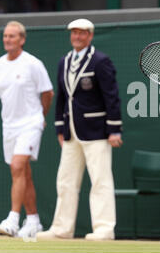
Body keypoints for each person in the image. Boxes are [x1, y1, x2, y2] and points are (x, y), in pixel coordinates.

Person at [37, 18, 123, 241]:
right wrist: (59, 127)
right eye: (74, 33)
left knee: (100, 180)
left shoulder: (101, 61)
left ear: (90, 35)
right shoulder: (63, 62)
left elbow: (111, 96)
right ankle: (61, 229)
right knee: (65, 181)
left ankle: (104, 229)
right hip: (70, 132)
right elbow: (62, 98)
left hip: (97, 131)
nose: (77, 36)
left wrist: (114, 129)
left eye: (81, 33)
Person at [0, 21, 54, 238]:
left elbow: (48, 93)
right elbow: (4, 98)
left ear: (22, 39)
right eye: (5, 36)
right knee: (23, 173)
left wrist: (40, 116)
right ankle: (34, 221)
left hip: (30, 123)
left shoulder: (33, 64)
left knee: (18, 166)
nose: (7, 40)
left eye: (12, 36)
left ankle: (12, 219)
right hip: (9, 126)